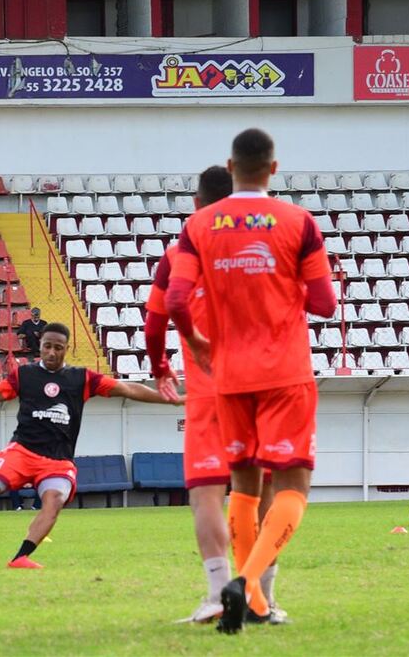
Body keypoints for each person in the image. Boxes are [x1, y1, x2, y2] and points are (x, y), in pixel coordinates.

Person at [166, 129, 336, 633]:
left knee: (241, 489)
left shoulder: (198, 225)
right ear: (273, 168)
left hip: (228, 375)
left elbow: (176, 301)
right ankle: (250, 583)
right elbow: (325, 304)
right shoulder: (297, 221)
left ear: (230, 165)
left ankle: (251, 602)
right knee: (289, 486)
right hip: (284, 371)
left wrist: (196, 343)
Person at [0, 323, 182, 568]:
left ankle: (20, 557)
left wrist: (166, 398)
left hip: (58, 461)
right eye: (47, 346)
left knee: (55, 499)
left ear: (66, 349)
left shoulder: (82, 378)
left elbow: (128, 389)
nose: (51, 352)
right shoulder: (24, 375)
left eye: (57, 348)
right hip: (22, 451)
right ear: (41, 346)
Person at [146, 165, 287, 625]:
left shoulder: (179, 252)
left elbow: (157, 318)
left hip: (209, 392)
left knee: (207, 494)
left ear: (196, 204)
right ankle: (262, 598)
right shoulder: (262, 250)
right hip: (261, 388)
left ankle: (215, 593)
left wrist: (161, 366)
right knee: (263, 492)